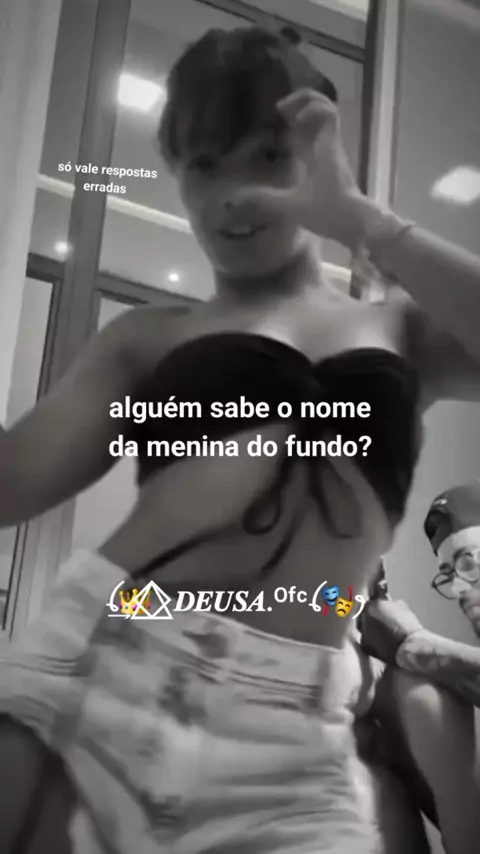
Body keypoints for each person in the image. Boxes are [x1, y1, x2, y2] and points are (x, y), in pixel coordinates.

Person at [2, 24, 480, 854]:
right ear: (176, 172)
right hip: (108, 663)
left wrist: (363, 220)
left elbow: (337, 603)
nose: (234, 194)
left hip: (294, 722)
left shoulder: (402, 330)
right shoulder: (149, 339)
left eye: (267, 156)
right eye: (204, 164)